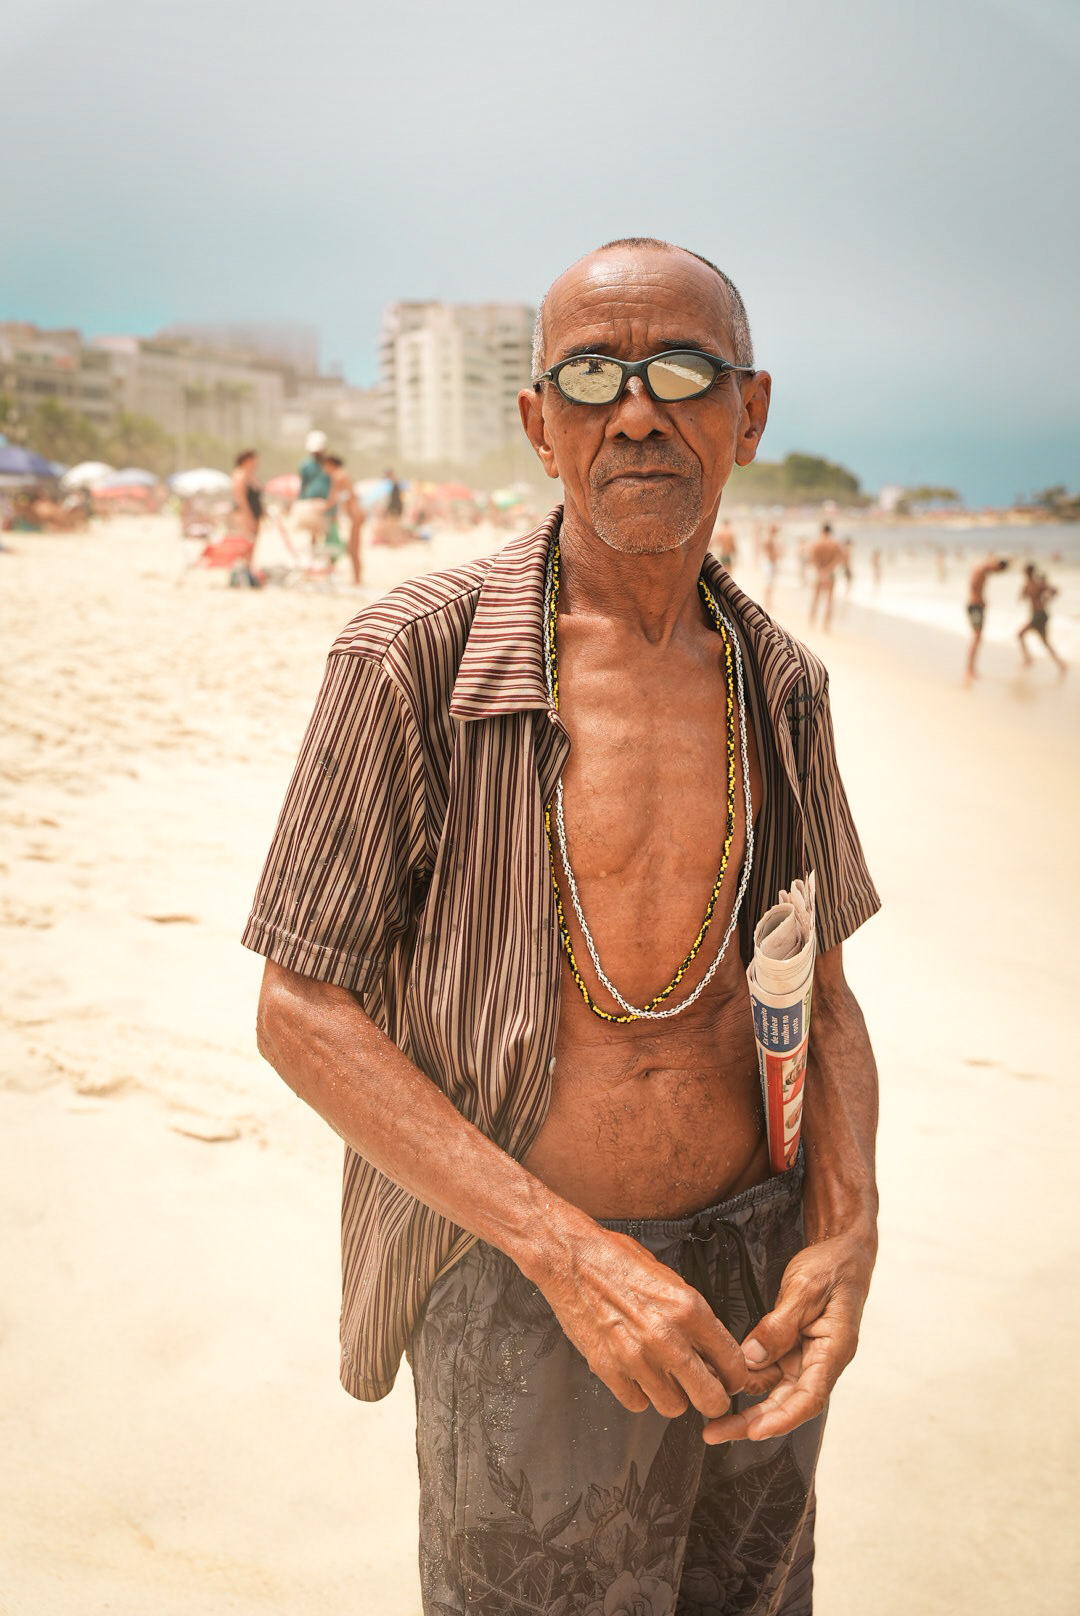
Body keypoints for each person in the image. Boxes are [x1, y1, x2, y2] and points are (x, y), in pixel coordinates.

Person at [244, 238, 880, 1616]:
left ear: (748, 413)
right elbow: (300, 1011)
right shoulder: (409, 657)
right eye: (592, 376)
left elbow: (820, 992)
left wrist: (849, 1225)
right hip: (523, 1284)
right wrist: (570, 1253)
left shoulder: (783, 684)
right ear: (540, 424)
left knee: (754, 1596)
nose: (637, 410)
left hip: (755, 1272)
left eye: (680, 372)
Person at [965, 555, 1009, 680]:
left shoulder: (983, 568)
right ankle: (969, 669)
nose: (996, 573)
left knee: (978, 638)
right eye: (998, 571)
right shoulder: (980, 570)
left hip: (977, 606)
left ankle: (971, 669)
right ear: (997, 566)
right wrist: (980, 600)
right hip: (975, 606)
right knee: (977, 637)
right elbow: (973, 586)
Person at [323, 454, 365, 585]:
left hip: (355, 515)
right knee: (353, 549)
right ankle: (356, 578)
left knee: (353, 550)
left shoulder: (337, 475)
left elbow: (333, 497)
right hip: (356, 514)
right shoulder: (343, 474)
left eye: (325, 465)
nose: (324, 469)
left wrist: (319, 507)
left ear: (331, 464)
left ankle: (357, 580)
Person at [1018, 562, 1066, 672]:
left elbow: (1055, 590)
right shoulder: (1028, 584)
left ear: (1029, 572)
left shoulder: (1037, 583)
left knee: (1020, 634)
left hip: (1039, 615)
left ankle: (1028, 659)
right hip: (1037, 615)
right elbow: (1022, 596)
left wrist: (1047, 599)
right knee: (1044, 642)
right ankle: (1060, 664)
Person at [293, 429, 332, 545]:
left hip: (327, 504)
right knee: (313, 532)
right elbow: (303, 485)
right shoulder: (306, 465)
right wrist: (300, 502)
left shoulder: (329, 465)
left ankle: (328, 560)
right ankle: (314, 556)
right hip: (311, 504)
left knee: (328, 532)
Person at [806, 522, 845, 630]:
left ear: (822, 530)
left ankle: (811, 621)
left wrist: (820, 571)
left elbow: (812, 559)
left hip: (819, 574)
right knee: (829, 600)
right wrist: (829, 569)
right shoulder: (835, 543)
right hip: (830, 574)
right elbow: (840, 559)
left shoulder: (816, 543)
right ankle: (826, 625)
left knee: (815, 598)